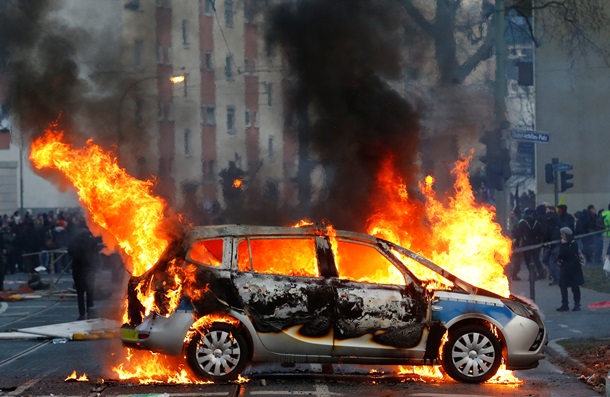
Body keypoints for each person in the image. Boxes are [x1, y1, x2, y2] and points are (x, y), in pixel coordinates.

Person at [68, 221, 99, 320]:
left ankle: (81, 314)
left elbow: (70, 251)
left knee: (80, 294)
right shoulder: (92, 240)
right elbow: (96, 255)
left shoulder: (75, 240)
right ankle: (90, 312)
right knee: (90, 292)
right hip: (89, 269)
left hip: (77, 269)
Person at [512, 208, 546, 281]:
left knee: (528, 260)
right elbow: (541, 233)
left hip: (526, 244)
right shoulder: (537, 222)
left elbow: (518, 234)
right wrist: (539, 241)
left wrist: (517, 243)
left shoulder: (522, 223)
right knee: (536, 258)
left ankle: (532, 274)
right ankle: (541, 273)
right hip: (535, 244)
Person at [556, 227, 584, 312]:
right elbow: (561, 254)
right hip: (565, 267)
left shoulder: (573, 243)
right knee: (563, 286)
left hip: (573, 268)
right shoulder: (563, 243)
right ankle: (565, 304)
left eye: (563, 234)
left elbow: (570, 254)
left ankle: (577, 304)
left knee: (575, 286)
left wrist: (564, 245)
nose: (561, 236)